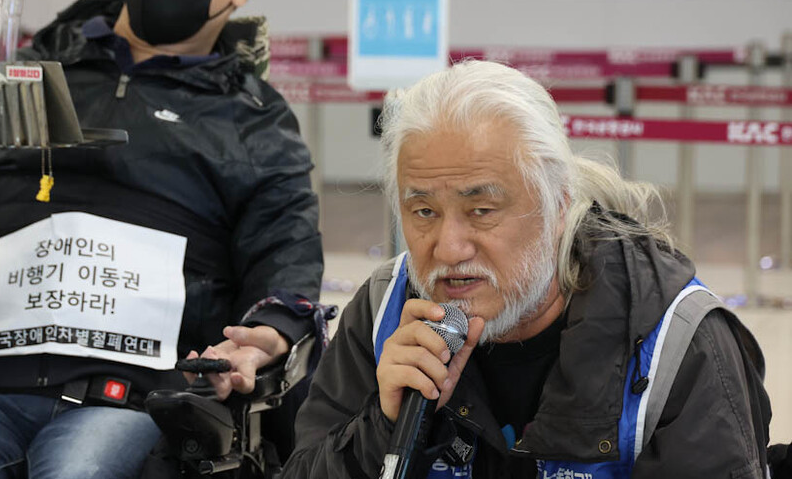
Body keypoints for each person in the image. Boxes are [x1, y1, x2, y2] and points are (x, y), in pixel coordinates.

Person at [0, 0, 323, 477]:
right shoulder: (17, 76)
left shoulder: (253, 122)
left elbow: (286, 256)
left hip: (138, 394)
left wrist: (267, 334)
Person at [283, 60, 771, 479]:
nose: (449, 249)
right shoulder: (382, 313)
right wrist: (383, 425)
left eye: (482, 210)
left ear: (558, 205)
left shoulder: (673, 342)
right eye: (424, 212)